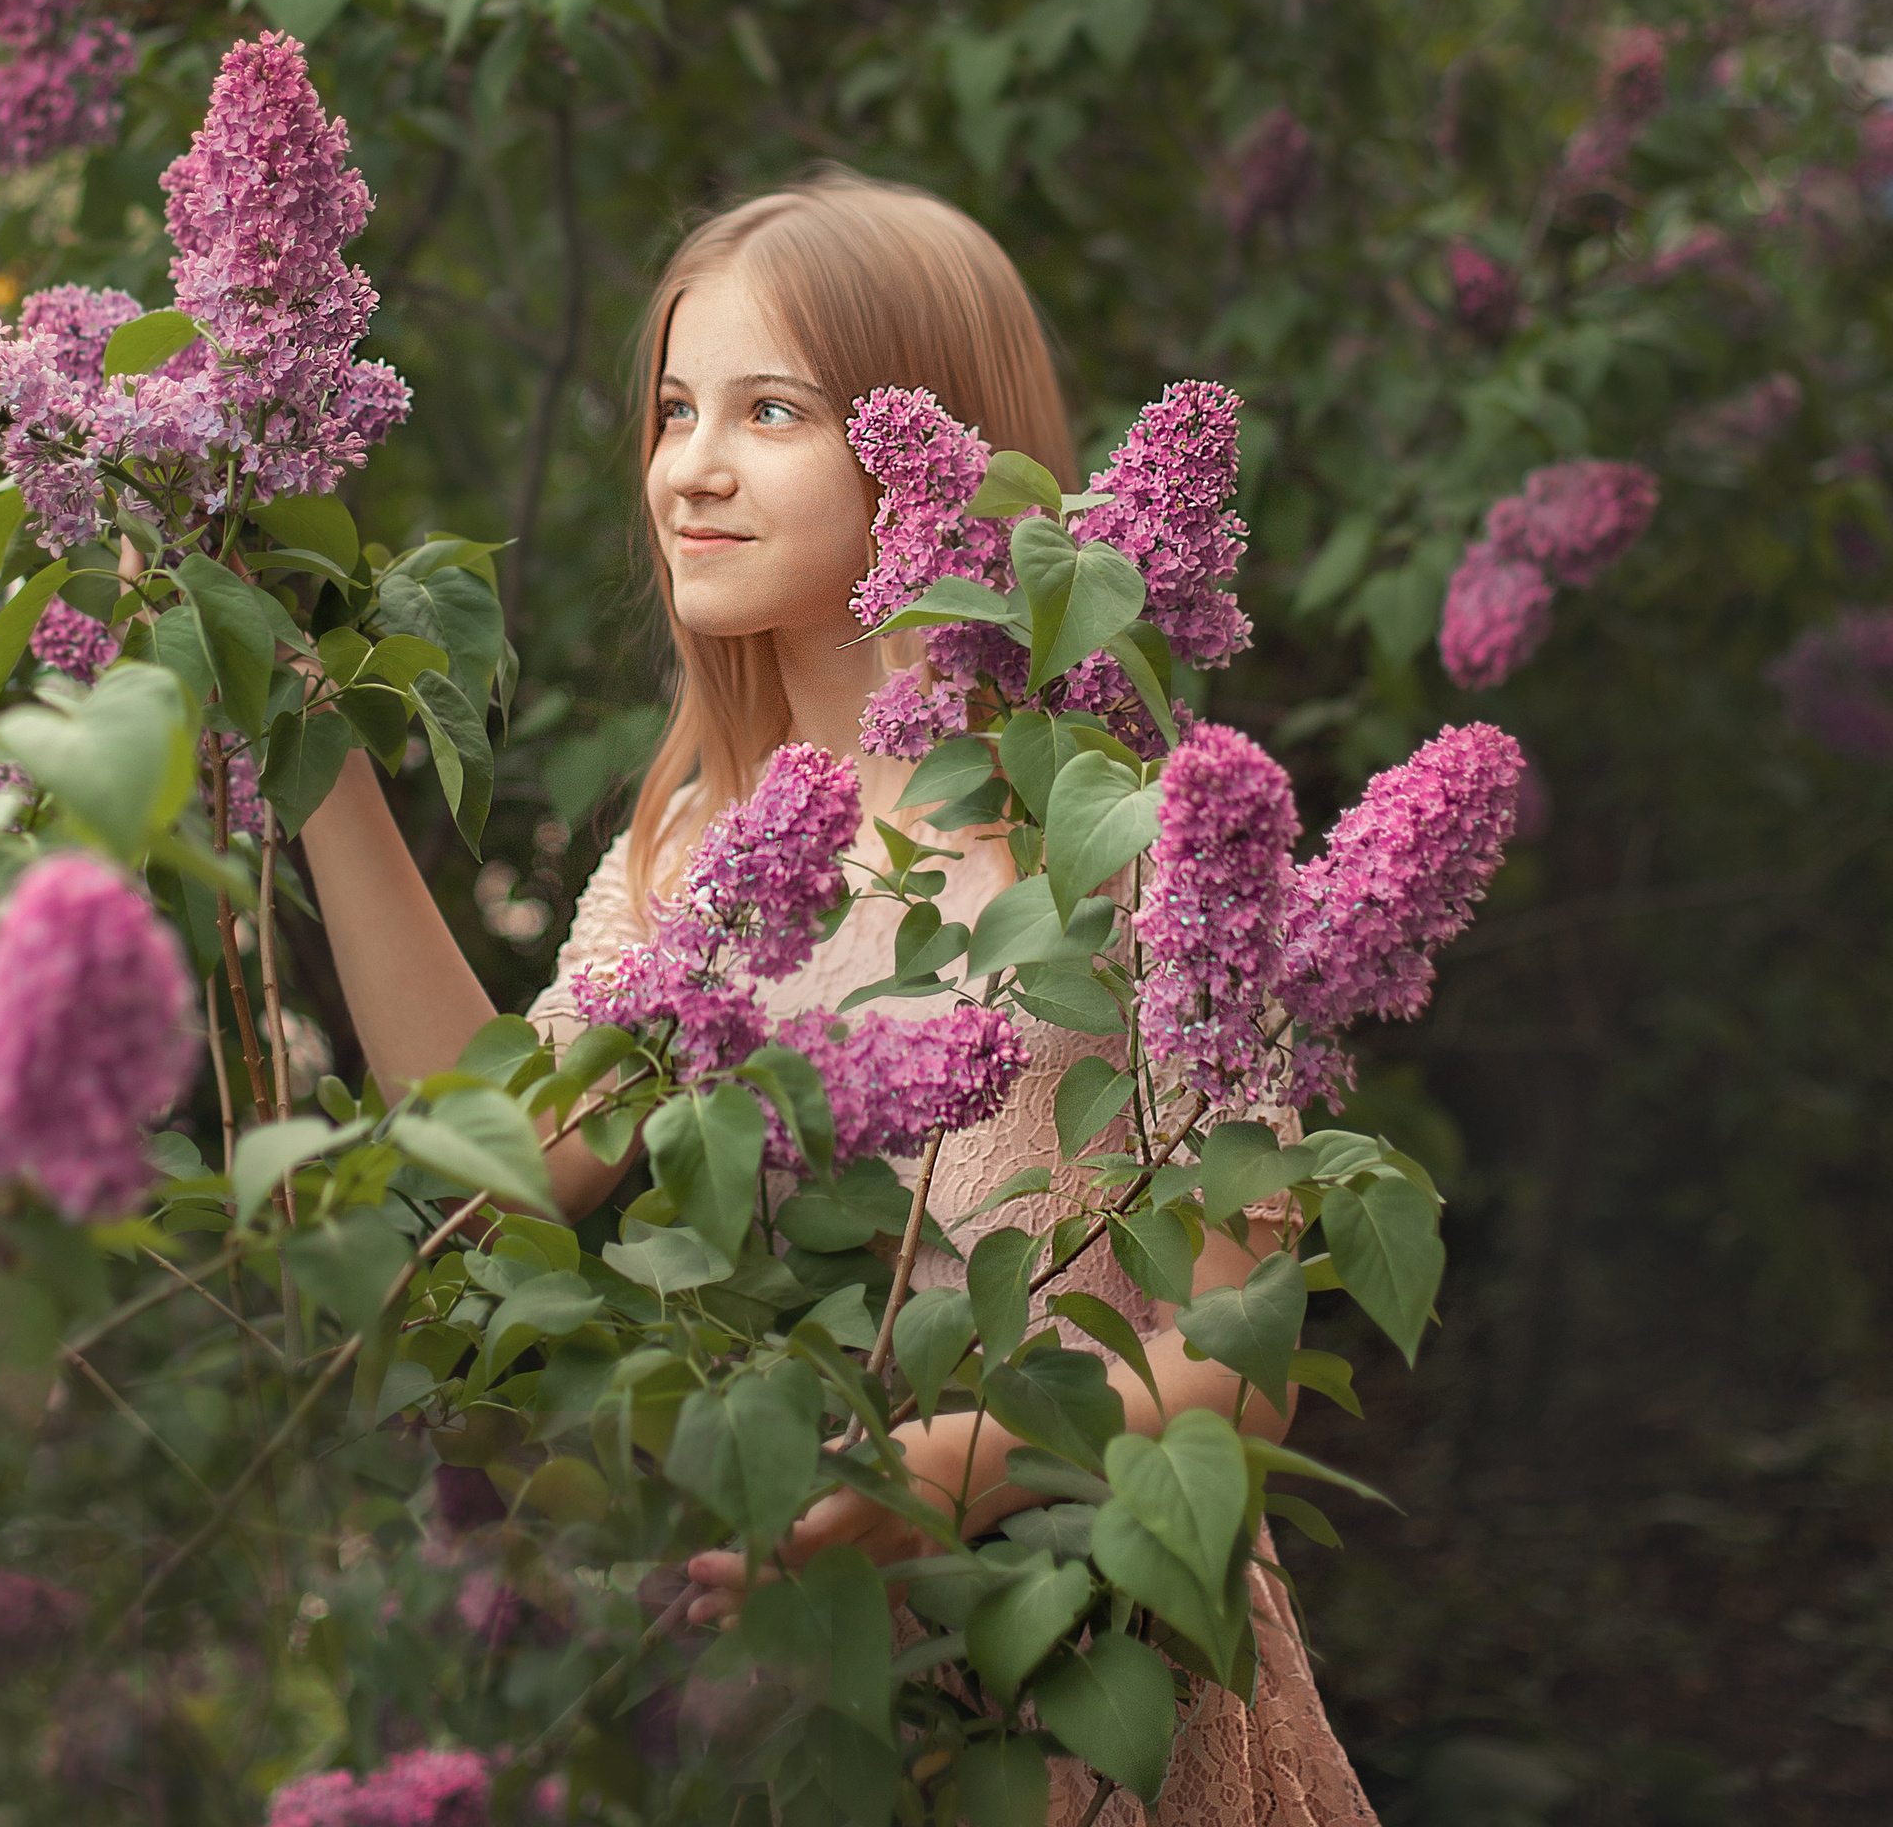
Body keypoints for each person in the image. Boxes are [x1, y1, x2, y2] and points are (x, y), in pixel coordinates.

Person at [301, 168, 1378, 1826]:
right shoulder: (705, 839)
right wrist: (320, 771)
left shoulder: (1111, 834)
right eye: (672, 410)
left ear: (928, 451)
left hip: (1088, 1684)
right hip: (800, 1697)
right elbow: (495, 1169)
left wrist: (953, 1469)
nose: (690, 468)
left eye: (772, 410)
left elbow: (1252, 1367)